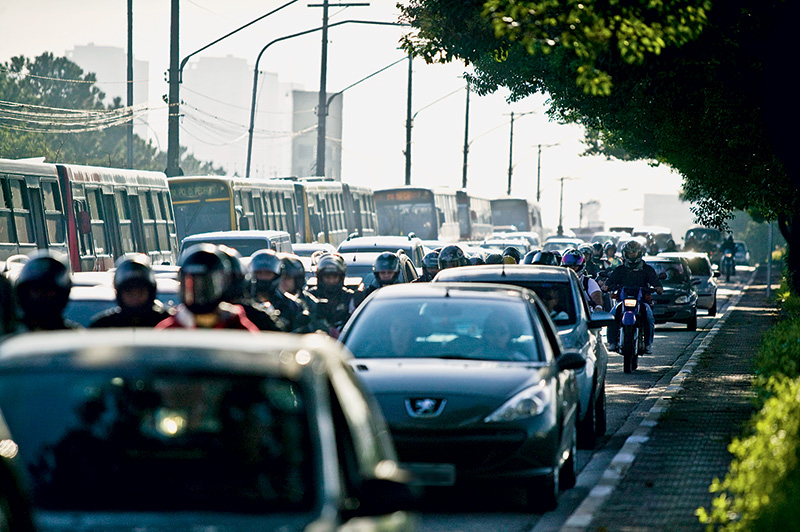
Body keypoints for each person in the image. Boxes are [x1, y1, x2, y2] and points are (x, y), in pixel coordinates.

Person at [156, 244, 259, 331]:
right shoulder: (171, 330)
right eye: (192, 285)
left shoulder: (236, 326)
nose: (200, 293)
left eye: (207, 285)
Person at [604, 239, 663, 354]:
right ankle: (612, 342)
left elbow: (655, 280)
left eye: (634, 253)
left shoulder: (647, 269)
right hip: (622, 300)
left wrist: (658, 287)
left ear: (639, 253)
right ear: (625, 254)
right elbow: (611, 279)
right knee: (612, 315)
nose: (632, 255)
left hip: (641, 301)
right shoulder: (620, 269)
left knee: (649, 317)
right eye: (630, 253)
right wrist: (606, 285)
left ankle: (647, 343)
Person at [89, 254, 170, 328]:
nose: (135, 296)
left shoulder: (168, 324)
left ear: (151, 292)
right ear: (119, 294)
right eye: (129, 292)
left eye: (140, 291)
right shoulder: (103, 326)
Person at [14, 251, 79, 332]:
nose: (40, 297)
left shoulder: (74, 337)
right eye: (35, 292)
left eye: (48, 293)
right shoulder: (10, 334)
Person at [306, 253, 356, 337]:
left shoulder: (349, 297)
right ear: (320, 277)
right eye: (328, 277)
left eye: (334, 277)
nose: (331, 281)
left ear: (341, 278)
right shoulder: (311, 296)